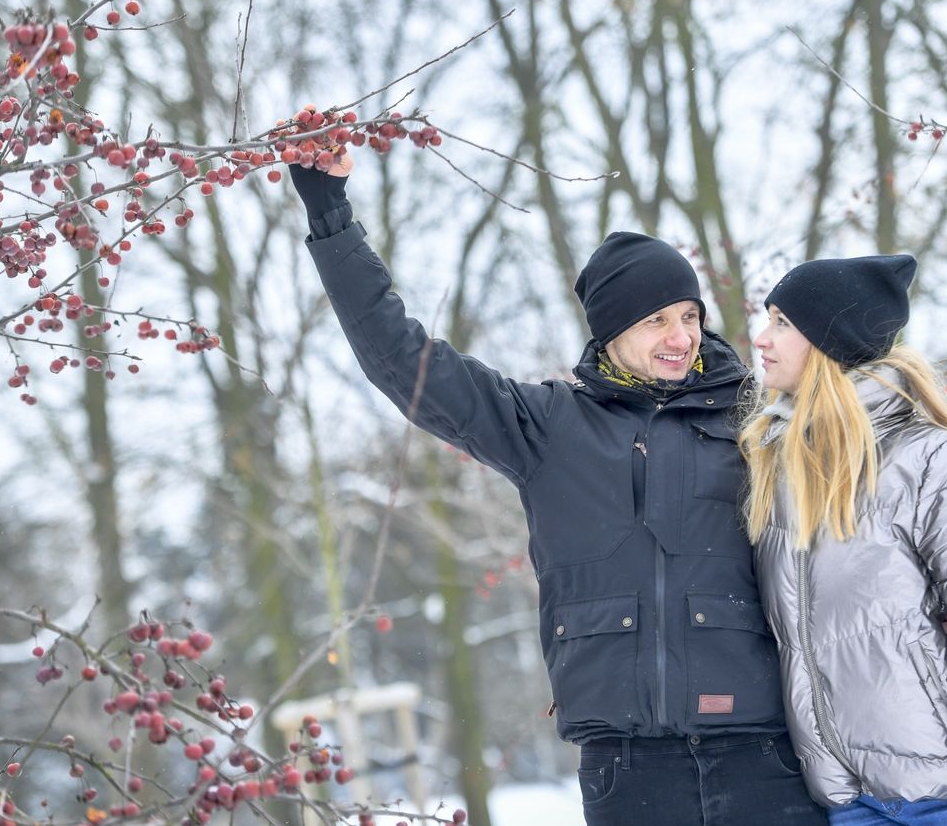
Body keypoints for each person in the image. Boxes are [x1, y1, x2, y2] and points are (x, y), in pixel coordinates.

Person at [287, 154, 826, 825]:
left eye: (689, 316)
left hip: (761, 755)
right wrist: (330, 216)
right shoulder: (547, 427)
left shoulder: (755, 419)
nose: (682, 336)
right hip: (627, 770)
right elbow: (402, 359)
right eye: (657, 319)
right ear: (611, 329)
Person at [739, 254, 947, 826]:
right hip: (847, 800)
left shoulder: (932, 460)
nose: (762, 339)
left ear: (834, 340)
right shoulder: (782, 470)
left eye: (783, 322)